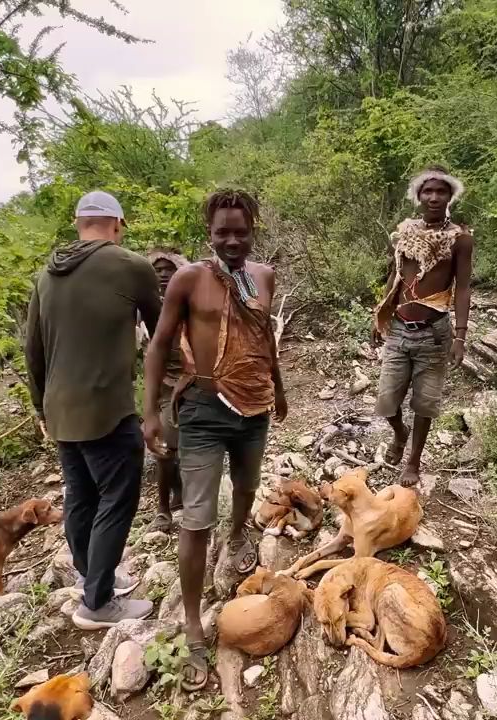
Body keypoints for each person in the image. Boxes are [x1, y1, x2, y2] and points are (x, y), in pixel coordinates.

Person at [142, 189, 287, 691]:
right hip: (203, 409)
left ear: (253, 231)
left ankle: (241, 532)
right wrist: (149, 416)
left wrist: (280, 390)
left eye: (241, 231)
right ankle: (193, 627)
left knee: (246, 488)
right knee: (197, 518)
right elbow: (159, 344)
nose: (231, 240)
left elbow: (265, 338)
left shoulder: (263, 276)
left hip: (255, 406)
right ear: (208, 233)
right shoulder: (188, 279)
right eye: (222, 231)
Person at [24, 190, 161, 630]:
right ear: (117, 224)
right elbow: (163, 333)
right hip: (108, 409)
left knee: (80, 497)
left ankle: (94, 578)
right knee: (117, 499)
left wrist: (41, 408)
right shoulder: (131, 266)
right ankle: (98, 603)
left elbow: (33, 350)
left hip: (61, 411)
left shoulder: (46, 276)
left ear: (77, 222)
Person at [372, 166, 474, 487]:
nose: (433, 197)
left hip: (435, 332)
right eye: (427, 191)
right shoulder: (406, 232)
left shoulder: (459, 238)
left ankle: (413, 462)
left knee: (425, 403)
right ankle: (399, 434)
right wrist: (380, 315)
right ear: (418, 196)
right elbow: (396, 275)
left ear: (450, 196)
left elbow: (463, 287)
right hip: (400, 328)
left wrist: (460, 336)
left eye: (440, 191)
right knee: (387, 401)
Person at [143, 248, 189, 533]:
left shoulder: (190, 300)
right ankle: (162, 509)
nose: (162, 274)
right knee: (165, 449)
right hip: (163, 385)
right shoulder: (145, 305)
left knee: (192, 445)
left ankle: (183, 495)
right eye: (157, 270)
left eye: (167, 269)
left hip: (193, 380)